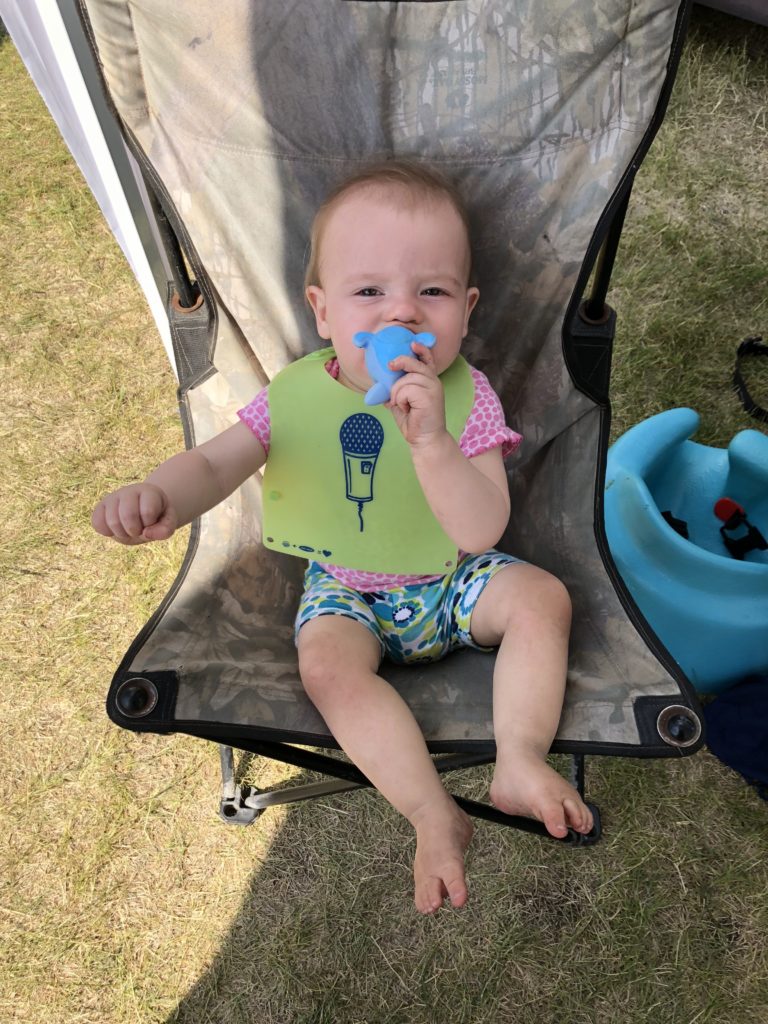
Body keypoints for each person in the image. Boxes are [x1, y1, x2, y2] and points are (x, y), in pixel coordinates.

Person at [92, 160, 594, 915]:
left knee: (541, 598)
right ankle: (431, 814)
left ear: (466, 308)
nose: (403, 315)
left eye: (432, 291)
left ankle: (518, 760)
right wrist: (163, 493)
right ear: (322, 312)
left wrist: (432, 445)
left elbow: (482, 524)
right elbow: (215, 462)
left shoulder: (465, 397)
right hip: (346, 587)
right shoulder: (295, 395)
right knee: (327, 669)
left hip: (450, 580)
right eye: (370, 293)